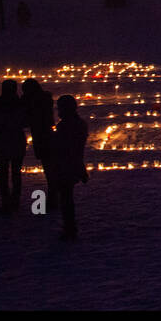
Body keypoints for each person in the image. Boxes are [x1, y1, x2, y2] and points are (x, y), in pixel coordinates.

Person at [49, 95, 88, 240]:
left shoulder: (66, 126)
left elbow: (62, 146)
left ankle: (69, 228)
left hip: (66, 164)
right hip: (73, 163)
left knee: (66, 198)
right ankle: (69, 226)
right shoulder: (79, 123)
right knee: (67, 196)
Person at [0, 79, 26, 212]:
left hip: (2, 140)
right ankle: (15, 200)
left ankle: (6, 201)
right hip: (17, 140)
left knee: (3, 173)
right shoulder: (20, 104)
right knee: (16, 172)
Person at [23, 78, 57, 208]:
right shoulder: (44, 99)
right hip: (45, 135)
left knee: (49, 167)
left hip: (43, 136)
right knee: (50, 167)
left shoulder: (35, 102)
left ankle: (53, 198)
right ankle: (54, 196)